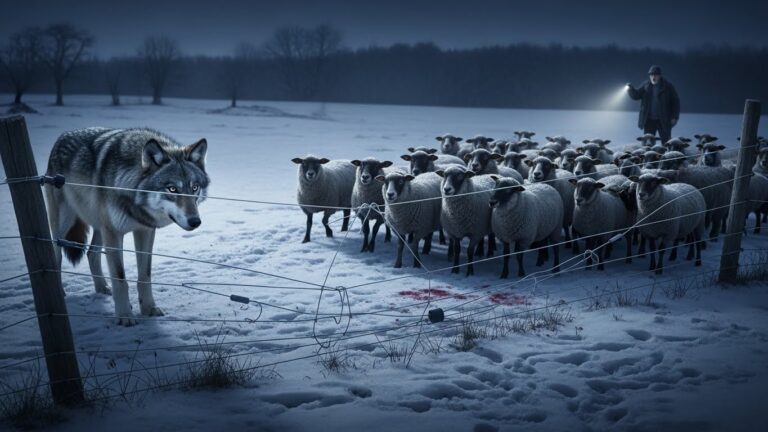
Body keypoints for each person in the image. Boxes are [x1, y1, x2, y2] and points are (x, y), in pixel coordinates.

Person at [627, 65, 680, 144]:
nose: (653, 77)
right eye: (651, 75)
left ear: (660, 75)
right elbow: (636, 95)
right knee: (648, 143)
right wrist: (630, 90)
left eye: (655, 74)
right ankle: (648, 156)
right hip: (649, 120)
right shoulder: (645, 85)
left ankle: (666, 156)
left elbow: (676, 102)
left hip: (664, 120)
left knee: (666, 143)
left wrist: (674, 117)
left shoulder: (668, 86)